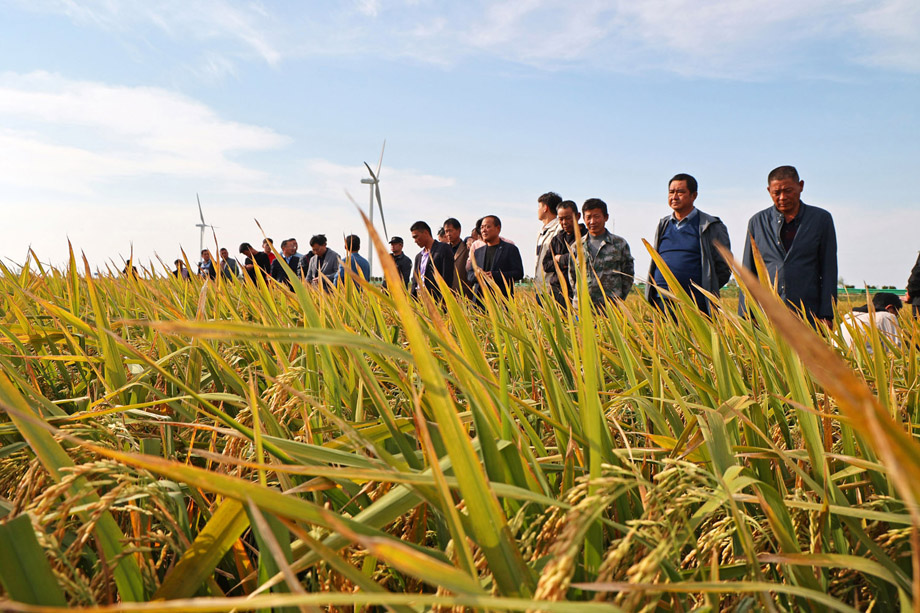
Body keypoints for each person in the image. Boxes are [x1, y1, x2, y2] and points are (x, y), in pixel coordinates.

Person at [740, 166, 837, 325]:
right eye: (776, 193)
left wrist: (827, 314)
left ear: (801, 186)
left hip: (808, 312)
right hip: (767, 314)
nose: (782, 197)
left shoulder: (821, 220)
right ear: (768, 191)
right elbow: (748, 272)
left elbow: (829, 269)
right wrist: (747, 315)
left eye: (788, 190)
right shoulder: (757, 222)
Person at [645, 174, 731, 315]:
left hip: (695, 303)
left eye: (680, 192)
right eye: (671, 192)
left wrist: (707, 287)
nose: (675, 197)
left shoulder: (710, 225)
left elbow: (724, 266)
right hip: (662, 300)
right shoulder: (663, 224)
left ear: (694, 195)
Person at [568, 198, 634, 309]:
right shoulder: (576, 246)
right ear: (583, 219)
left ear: (606, 217)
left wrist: (618, 299)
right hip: (583, 308)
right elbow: (572, 276)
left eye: (596, 216)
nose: (592, 221)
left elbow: (628, 275)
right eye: (588, 217)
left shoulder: (619, 244)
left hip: (610, 308)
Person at [468, 215, 524, 299]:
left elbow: (518, 273)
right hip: (480, 301)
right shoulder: (478, 252)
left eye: (488, 227)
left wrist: (495, 275)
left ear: (498, 228)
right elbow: (469, 274)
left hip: (501, 300)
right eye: (482, 227)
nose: (483, 230)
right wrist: (477, 274)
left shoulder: (510, 249)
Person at [544, 200, 586, 305]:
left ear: (578, 216)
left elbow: (582, 259)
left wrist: (559, 259)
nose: (564, 222)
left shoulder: (586, 237)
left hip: (579, 292)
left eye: (568, 218)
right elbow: (546, 265)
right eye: (561, 219)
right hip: (557, 291)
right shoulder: (557, 239)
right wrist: (567, 262)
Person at [410, 221, 455, 301]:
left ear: (426, 233)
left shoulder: (443, 249)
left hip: (436, 300)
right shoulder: (419, 256)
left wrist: (444, 301)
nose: (415, 241)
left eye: (416, 237)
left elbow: (447, 278)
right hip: (420, 301)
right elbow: (415, 282)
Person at [534, 191, 562, 297]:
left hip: (554, 287)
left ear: (545, 208)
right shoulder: (541, 231)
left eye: (539, 207)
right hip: (540, 286)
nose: (538, 210)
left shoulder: (559, 229)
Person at [443, 218, 471, 295]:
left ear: (459, 230)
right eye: (446, 231)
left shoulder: (467, 248)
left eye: (450, 230)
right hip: (447, 294)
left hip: (463, 293)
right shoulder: (444, 249)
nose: (448, 234)